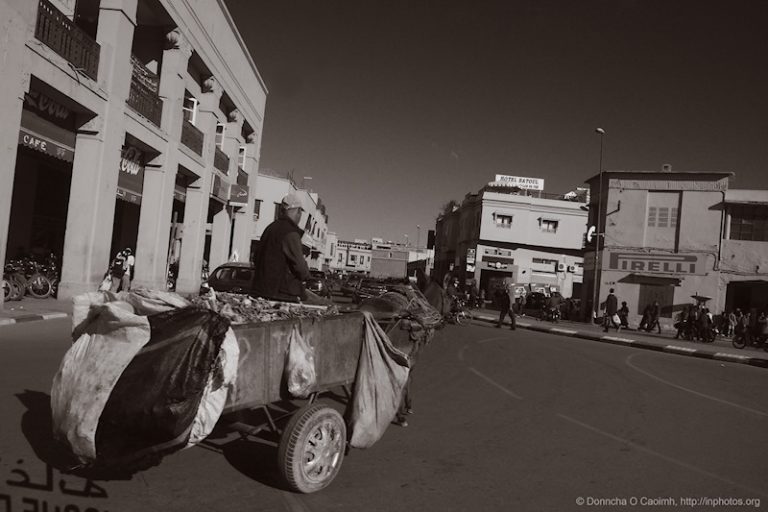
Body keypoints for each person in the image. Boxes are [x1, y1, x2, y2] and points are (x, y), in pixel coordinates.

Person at [251, 192, 316, 303]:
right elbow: (300, 266)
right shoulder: (290, 233)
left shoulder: (270, 228)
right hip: (282, 294)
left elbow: (256, 257)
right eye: (300, 212)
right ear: (298, 211)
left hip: (261, 290)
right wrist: (307, 276)